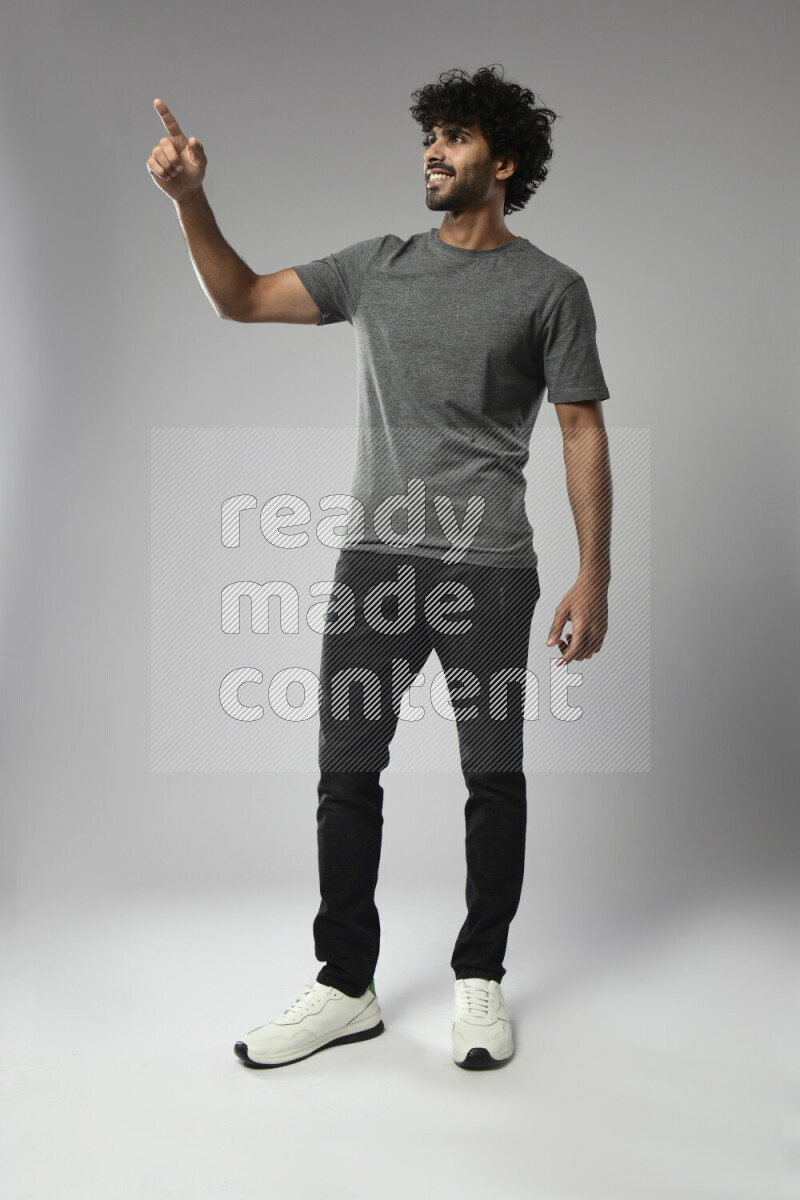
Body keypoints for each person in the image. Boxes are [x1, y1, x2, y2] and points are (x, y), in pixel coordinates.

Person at [147, 65, 612, 1071]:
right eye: (427, 139)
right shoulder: (378, 267)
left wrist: (593, 576)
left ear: (506, 160)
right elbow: (237, 298)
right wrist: (191, 201)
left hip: (488, 571)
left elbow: (579, 431)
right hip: (373, 569)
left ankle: (478, 980)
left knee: (492, 780)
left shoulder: (550, 289)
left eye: (453, 138)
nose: (432, 154)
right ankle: (343, 986)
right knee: (344, 776)